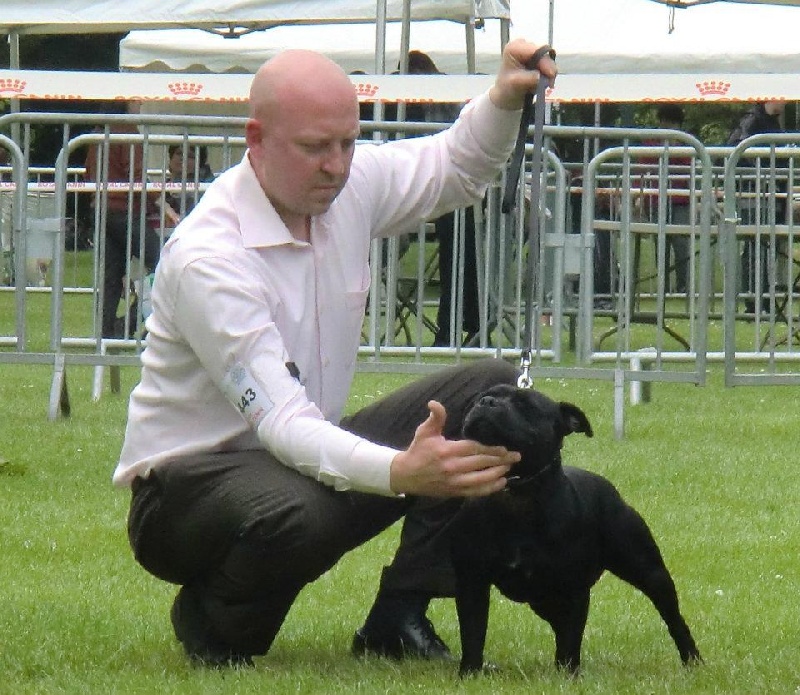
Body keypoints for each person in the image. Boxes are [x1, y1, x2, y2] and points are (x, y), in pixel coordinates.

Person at [114, 42, 557, 667]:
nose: (338, 166)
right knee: (306, 507)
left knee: (490, 394)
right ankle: (212, 624)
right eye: (316, 147)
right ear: (257, 139)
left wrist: (505, 98)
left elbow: (457, 167)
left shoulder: (347, 184)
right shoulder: (208, 259)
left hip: (294, 456)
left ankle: (399, 612)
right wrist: (403, 474)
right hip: (185, 496)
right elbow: (285, 425)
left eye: (349, 143)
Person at [404, 50, 481, 347]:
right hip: (437, 192)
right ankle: (466, 323)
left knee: (461, 234)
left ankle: (458, 325)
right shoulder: (450, 94)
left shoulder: (446, 96)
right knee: (461, 237)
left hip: (442, 192)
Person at [84, 101, 179, 338]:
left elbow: (89, 172)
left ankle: (107, 333)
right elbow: (137, 177)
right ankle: (130, 323)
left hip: (102, 209)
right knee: (163, 262)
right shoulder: (126, 131)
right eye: (136, 100)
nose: (140, 104)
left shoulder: (100, 133)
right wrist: (164, 205)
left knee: (111, 275)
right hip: (124, 211)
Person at [727, 101, 786, 314]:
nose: (784, 101)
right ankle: (754, 299)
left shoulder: (769, 121)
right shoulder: (752, 120)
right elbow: (736, 148)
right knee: (755, 247)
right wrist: (760, 174)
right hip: (754, 194)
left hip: (768, 194)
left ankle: (761, 298)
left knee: (763, 247)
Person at [640, 104, 692, 294]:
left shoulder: (686, 144)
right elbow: (644, 166)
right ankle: (662, 284)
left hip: (680, 200)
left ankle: (682, 285)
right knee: (660, 244)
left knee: (681, 244)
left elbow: (689, 168)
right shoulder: (651, 144)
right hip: (656, 199)